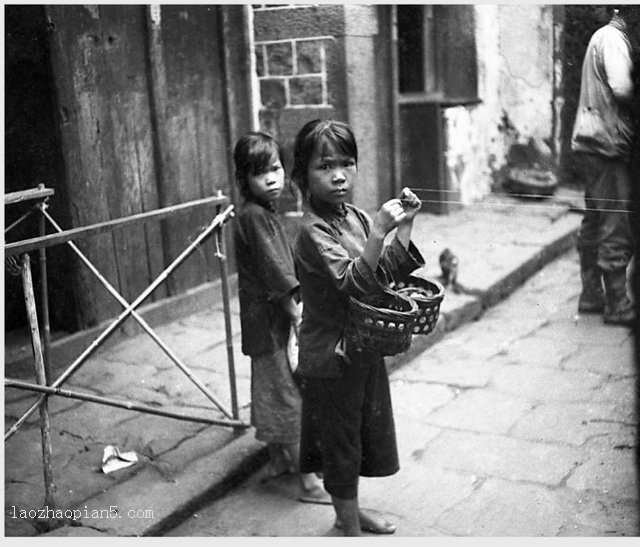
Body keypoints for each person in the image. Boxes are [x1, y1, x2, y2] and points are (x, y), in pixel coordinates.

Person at [290, 119, 425, 536]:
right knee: (341, 441)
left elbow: (384, 272)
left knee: (359, 433)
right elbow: (351, 280)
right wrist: (380, 231)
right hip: (331, 353)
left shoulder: (357, 217)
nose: (338, 175)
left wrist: (402, 226)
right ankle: (348, 526)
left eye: (347, 163)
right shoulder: (311, 230)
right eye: (325, 166)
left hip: (361, 346)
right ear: (301, 177)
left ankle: (347, 513)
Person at [232, 131, 330, 504]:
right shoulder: (255, 217)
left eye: (275, 169)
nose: (271, 179)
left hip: (266, 322)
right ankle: (307, 481)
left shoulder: (262, 213)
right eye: (260, 174)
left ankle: (278, 461)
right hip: (270, 323)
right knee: (286, 396)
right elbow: (274, 270)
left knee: (275, 389)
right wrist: (297, 313)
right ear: (244, 180)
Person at [571, 6, 636, 326]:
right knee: (615, 221)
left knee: (596, 220)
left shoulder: (604, 37)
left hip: (592, 141)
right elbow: (623, 88)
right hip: (606, 143)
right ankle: (617, 303)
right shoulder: (613, 39)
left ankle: (591, 295)